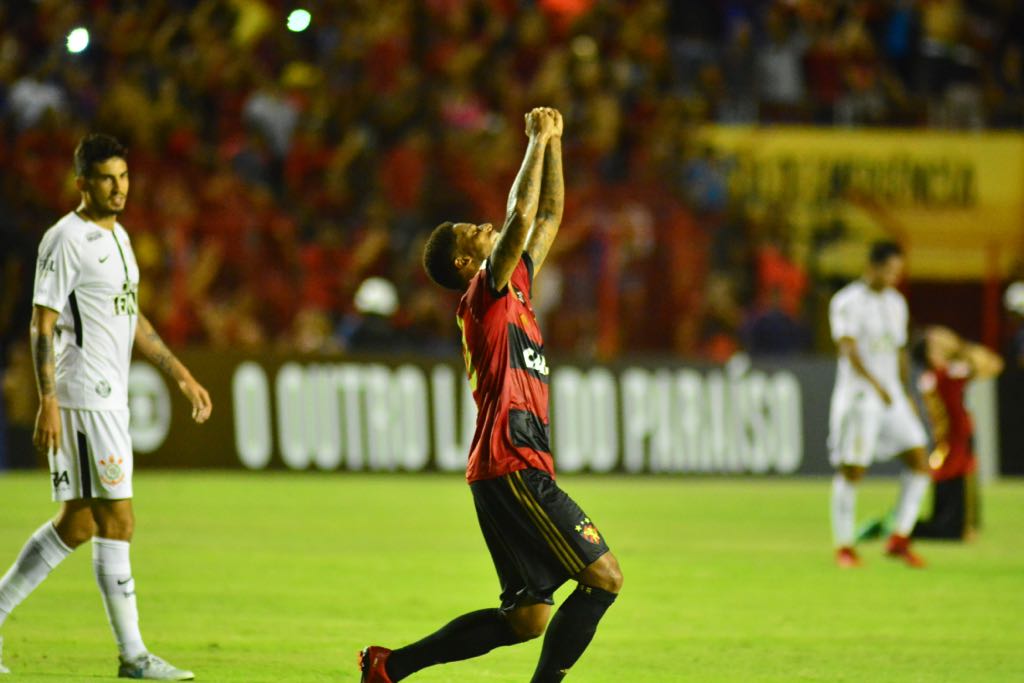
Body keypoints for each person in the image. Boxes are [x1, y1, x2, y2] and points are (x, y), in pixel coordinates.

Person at [359, 108, 623, 683]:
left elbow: (549, 212)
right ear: (465, 262)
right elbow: (521, 214)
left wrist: (554, 143)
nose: (486, 227)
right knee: (604, 578)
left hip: (506, 463)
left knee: (527, 618)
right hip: (513, 460)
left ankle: (388, 667)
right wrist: (533, 140)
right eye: (474, 232)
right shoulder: (484, 293)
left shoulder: (515, 282)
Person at [0, 134, 212, 679]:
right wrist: (48, 399)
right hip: (83, 398)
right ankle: (134, 656)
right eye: (106, 179)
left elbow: (131, 318)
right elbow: (41, 321)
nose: (118, 188)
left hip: (108, 399)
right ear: (82, 183)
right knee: (119, 520)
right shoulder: (64, 240)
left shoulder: (119, 238)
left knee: (77, 525)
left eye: (123, 177)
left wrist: (182, 376)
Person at [827, 241, 931, 568]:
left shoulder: (896, 302)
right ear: (871, 266)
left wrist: (904, 394)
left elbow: (899, 351)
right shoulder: (846, 301)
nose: (893, 277)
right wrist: (875, 386)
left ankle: (899, 537)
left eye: (897, 272)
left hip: (892, 396)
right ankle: (844, 546)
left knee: (919, 460)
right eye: (888, 270)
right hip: (860, 397)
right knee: (853, 469)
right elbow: (849, 349)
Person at [858, 326, 1003, 541]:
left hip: (945, 448)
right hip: (956, 447)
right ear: (930, 354)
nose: (946, 341)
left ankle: (899, 524)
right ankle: (896, 525)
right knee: (953, 529)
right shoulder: (949, 373)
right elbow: (994, 364)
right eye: (938, 343)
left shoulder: (929, 378)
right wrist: (960, 347)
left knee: (946, 518)